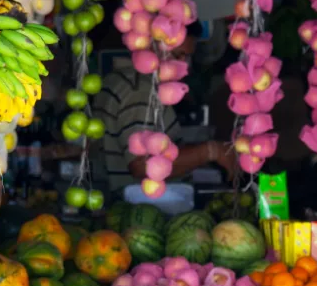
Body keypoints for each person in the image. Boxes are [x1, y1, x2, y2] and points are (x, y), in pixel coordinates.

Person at [91, 21, 237, 194]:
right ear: (153, 46)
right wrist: (210, 151)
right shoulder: (141, 90)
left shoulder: (120, 78)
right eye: (178, 55)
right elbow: (141, 165)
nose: (185, 66)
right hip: (138, 203)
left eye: (187, 58)